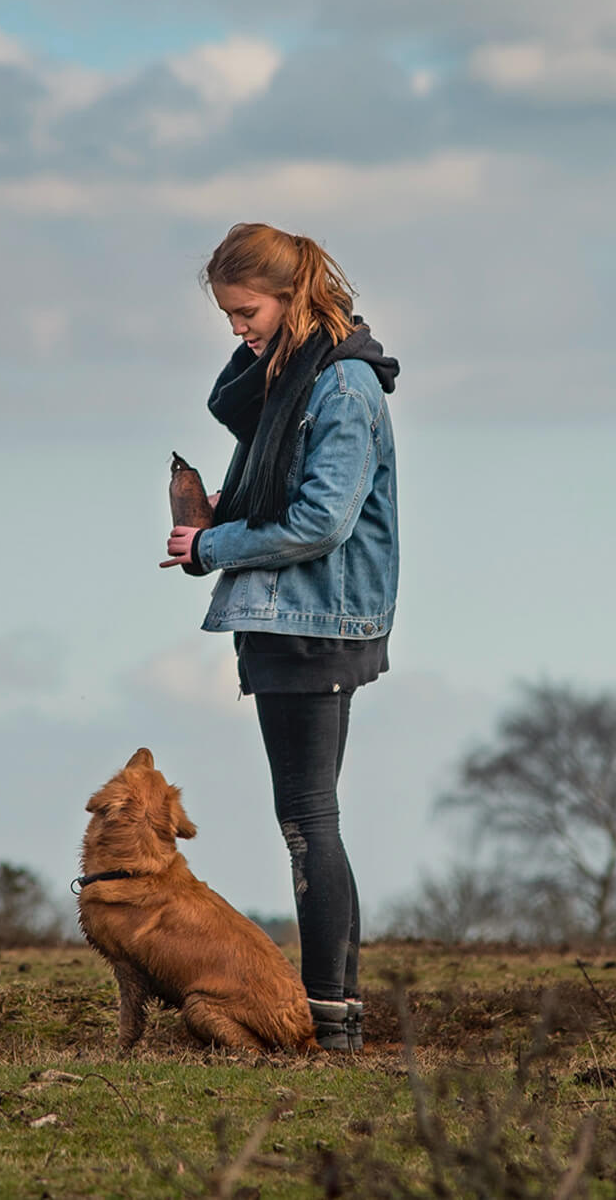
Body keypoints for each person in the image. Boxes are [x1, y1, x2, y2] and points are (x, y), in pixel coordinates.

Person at [160, 222, 399, 1051]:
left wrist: (212, 545)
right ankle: (339, 1013)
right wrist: (218, 517)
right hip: (290, 617)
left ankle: (329, 1017)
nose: (237, 329)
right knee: (310, 816)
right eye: (227, 316)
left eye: (246, 311)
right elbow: (283, 496)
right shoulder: (292, 380)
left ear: (292, 294)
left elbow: (321, 521)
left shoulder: (340, 388)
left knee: (307, 818)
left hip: (315, 621)